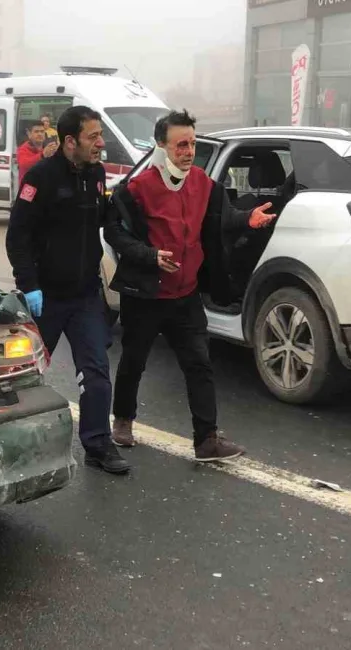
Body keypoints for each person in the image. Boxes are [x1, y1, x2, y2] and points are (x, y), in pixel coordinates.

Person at [105, 109, 277, 462]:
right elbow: (114, 232)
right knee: (134, 362)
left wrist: (249, 218)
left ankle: (206, 440)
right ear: (161, 146)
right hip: (147, 295)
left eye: (192, 144)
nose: (188, 151)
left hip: (185, 296)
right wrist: (150, 256)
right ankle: (122, 420)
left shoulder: (202, 183)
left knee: (199, 365)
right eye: (181, 145)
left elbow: (223, 219)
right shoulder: (138, 188)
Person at [5, 105, 131, 475]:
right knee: (23, 374)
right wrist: (29, 285)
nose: (101, 143)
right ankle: (12, 444)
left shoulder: (94, 174)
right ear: (70, 140)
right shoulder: (40, 178)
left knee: (96, 373)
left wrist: (123, 206)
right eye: (94, 136)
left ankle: (98, 444)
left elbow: (102, 219)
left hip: (85, 295)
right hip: (45, 298)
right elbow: (18, 236)